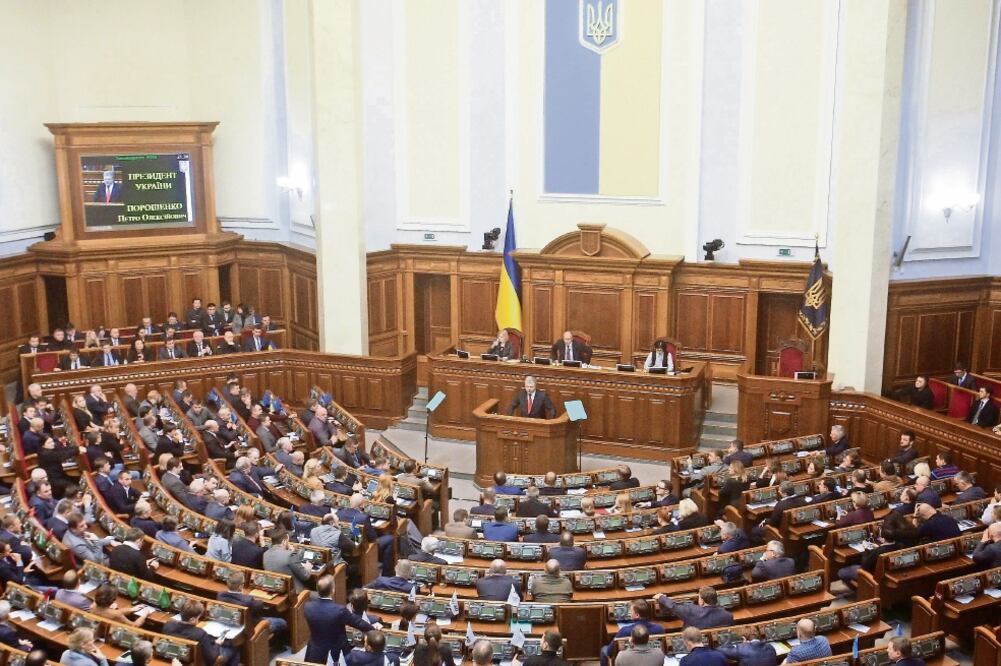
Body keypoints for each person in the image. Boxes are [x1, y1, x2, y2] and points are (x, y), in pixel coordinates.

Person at [164, 600, 240, 666]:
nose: (198, 620)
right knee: (233, 650)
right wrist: (217, 644)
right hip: (197, 662)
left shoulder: (169, 625)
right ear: (192, 619)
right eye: (198, 618)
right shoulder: (200, 634)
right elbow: (212, 659)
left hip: (174, 658)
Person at [218, 571, 288, 637]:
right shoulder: (247, 601)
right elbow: (260, 606)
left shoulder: (220, 595)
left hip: (233, 623)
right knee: (282, 622)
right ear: (240, 586)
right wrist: (252, 598)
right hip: (252, 626)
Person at [600, 600, 665, 666]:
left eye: (631, 611)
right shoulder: (659, 629)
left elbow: (610, 651)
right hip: (651, 658)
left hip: (630, 657)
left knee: (604, 649)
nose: (630, 613)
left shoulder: (624, 631)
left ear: (637, 615)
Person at [654, 586, 733, 629]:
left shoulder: (692, 611)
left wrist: (661, 597)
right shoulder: (728, 616)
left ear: (702, 601)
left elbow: (674, 606)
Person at [263, 528, 313, 592]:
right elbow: (305, 577)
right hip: (294, 592)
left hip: (275, 587)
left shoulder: (265, 554)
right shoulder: (290, 555)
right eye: (287, 541)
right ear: (284, 541)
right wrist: (308, 569)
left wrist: (291, 552)